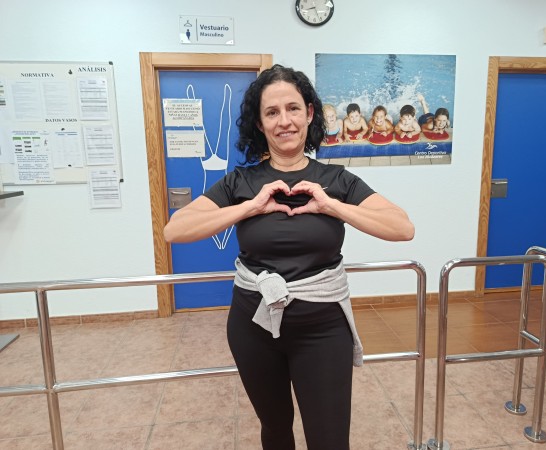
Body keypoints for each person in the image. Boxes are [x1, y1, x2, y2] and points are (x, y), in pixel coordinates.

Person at [163, 64, 415, 450]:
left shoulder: (336, 179)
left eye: (293, 108)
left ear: (309, 113)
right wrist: (250, 207)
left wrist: (332, 206)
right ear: (260, 123)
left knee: (329, 439)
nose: (285, 121)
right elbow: (175, 230)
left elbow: (402, 227)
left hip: (323, 327)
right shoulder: (241, 181)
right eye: (272, 112)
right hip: (253, 325)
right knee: (276, 429)